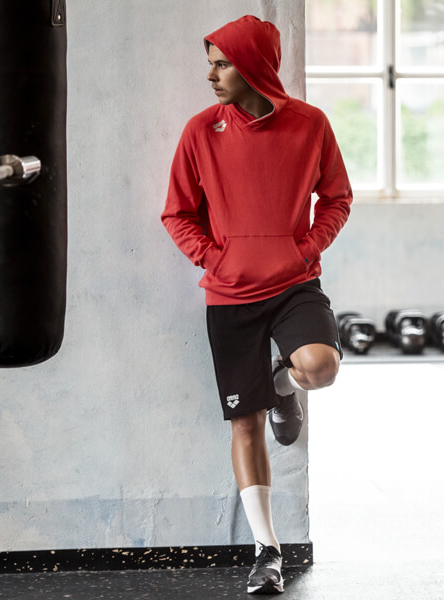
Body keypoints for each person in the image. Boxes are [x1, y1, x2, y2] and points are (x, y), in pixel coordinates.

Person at [161, 14, 352, 595]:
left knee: (320, 367)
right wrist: (215, 260)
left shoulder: (311, 125)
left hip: (295, 284)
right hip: (230, 294)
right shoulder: (201, 131)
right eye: (210, 64)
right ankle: (267, 551)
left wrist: (303, 250)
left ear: (255, 67)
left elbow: (337, 198)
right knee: (245, 424)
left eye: (222, 63)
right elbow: (177, 213)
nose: (212, 75)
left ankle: (284, 382)